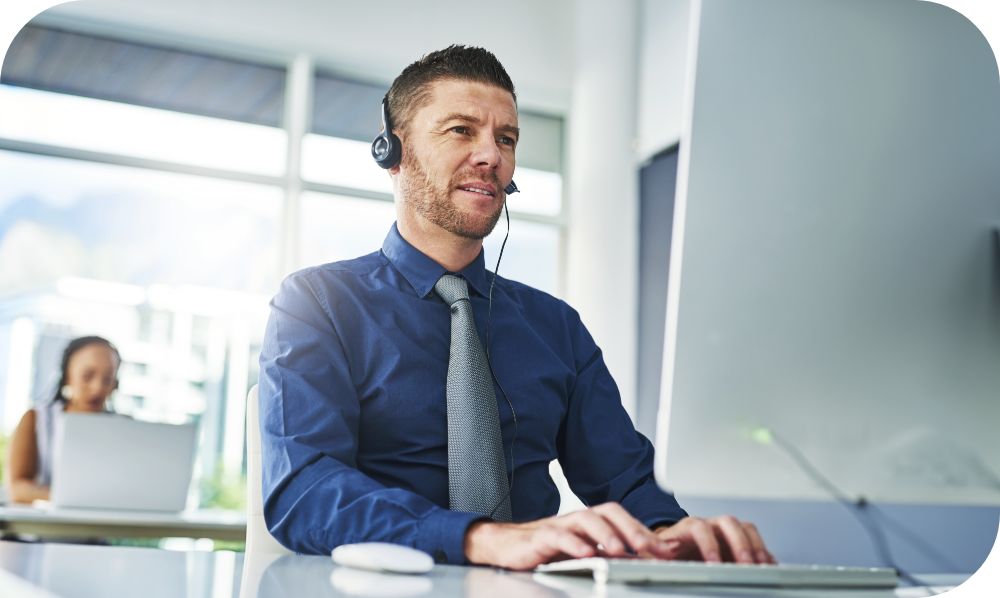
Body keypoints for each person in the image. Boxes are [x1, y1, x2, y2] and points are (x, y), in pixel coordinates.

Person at [259, 45, 774, 570]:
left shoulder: (556, 326)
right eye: (461, 130)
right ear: (393, 152)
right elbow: (305, 490)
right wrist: (483, 539)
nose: (492, 155)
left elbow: (625, 481)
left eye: (506, 139)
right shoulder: (317, 303)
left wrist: (674, 533)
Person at [5, 336, 121, 504]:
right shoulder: (36, 418)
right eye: (87, 376)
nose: (97, 388)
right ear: (67, 374)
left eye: (107, 379)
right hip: (46, 527)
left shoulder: (123, 428)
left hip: (105, 527)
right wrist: (79, 501)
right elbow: (17, 489)